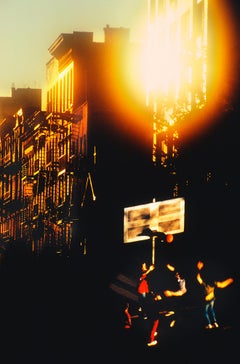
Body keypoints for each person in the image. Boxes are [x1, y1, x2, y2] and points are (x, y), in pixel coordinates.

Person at [196, 260, 234, 329]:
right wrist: (229, 281)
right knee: (211, 310)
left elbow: (198, 278)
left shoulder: (206, 284)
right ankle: (215, 323)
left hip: (208, 299)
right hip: (211, 298)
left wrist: (199, 269)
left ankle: (210, 324)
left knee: (206, 312)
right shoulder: (209, 283)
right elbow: (221, 285)